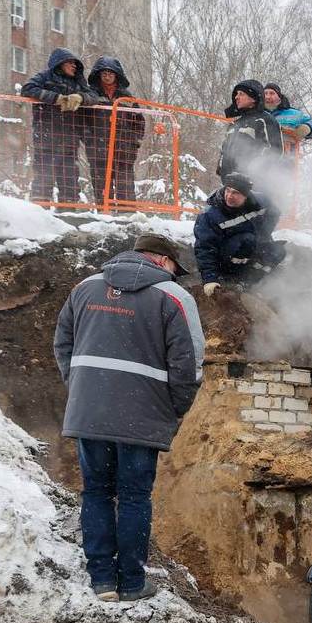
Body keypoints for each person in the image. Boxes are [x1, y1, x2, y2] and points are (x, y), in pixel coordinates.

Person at [53, 234, 204, 602]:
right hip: (142, 415)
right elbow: (189, 362)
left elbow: (63, 344)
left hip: (90, 411)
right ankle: (132, 582)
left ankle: (102, 580)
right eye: (173, 268)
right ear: (163, 261)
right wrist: (175, 408)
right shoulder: (174, 297)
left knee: (97, 492)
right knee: (134, 497)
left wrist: (83, 389)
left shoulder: (86, 287)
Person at [20, 48, 100, 205]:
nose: (74, 66)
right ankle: (39, 214)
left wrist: (80, 97)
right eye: (70, 63)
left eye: (75, 64)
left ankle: (68, 212)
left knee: (69, 181)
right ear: (60, 63)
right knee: (43, 179)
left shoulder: (78, 82)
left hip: (70, 140)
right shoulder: (45, 77)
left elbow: (94, 97)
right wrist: (56, 98)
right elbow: (27, 89)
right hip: (46, 138)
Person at [193, 172, 285, 295]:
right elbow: (204, 247)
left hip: (249, 250)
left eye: (235, 193)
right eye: (228, 190)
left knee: (278, 251)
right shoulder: (210, 215)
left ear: (245, 196)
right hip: (224, 259)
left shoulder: (259, 202)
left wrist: (264, 234)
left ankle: (247, 282)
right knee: (247, 239)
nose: (229, 196)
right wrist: (209, 279)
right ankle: (232, 278)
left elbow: (274, 212)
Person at [85, 56, 146, 206]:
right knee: (102, 185)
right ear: (98, 75)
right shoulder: (91, 95)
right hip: (98, 148)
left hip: (124, 148)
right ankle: (105, 214)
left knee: (125, 186)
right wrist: (88, 139)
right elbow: (82, 120)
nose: (107, 77)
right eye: (104, 73)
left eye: (110, 73)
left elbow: (139, 120)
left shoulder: (127, 97)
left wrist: (135, 141)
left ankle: (127, 214)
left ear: (116, 75)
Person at [216, 79, 284, 182]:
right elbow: (224, 148)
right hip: (229, 183)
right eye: (236, 94)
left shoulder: (265, 119)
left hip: (254, 183)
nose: (236, 97)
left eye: (241, 94)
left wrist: (254, 169)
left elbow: (275, 150)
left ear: (253, 98)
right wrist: (221, 165)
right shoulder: (234, 123)